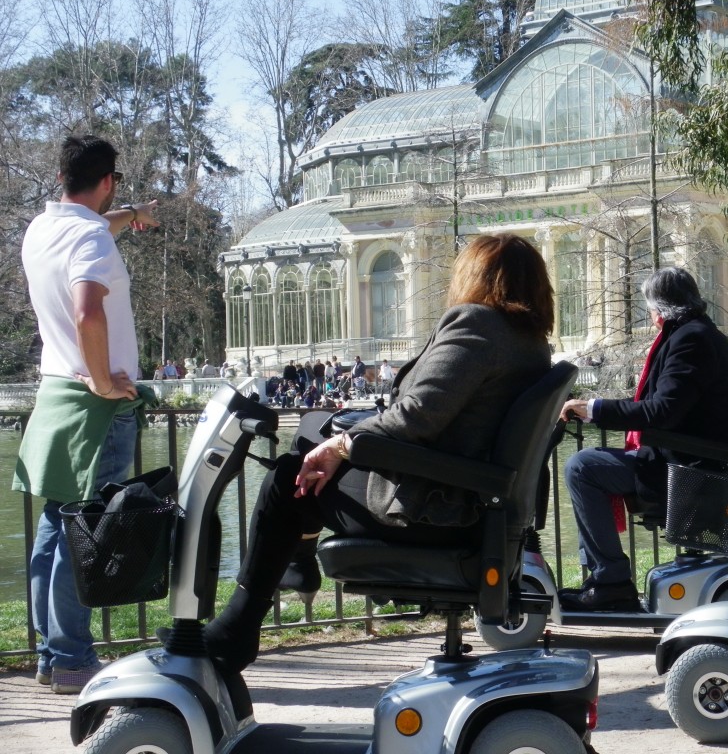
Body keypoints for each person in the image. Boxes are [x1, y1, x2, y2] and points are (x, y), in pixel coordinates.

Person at [184, 233, 555, 674]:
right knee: (310, 436)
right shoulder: (530, 344)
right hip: (479, 509)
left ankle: (236, 632)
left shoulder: (477, 325)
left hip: (437, 511)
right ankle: (296, 563)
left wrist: (344, 443)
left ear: (474, 277)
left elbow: (416, 415)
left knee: (288, 478)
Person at [12, 134, 159, 694]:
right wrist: (102, 380)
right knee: (90, 532)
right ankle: (73, 659)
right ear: (108, 181)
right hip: (95, 408)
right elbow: (87, 312)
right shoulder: (92, 235)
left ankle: (54, 656)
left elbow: (93, 224)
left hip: (55, 399)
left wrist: (130, 215)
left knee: (56, 527)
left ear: (59, 179)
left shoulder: (43, 228)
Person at [557, 267, 728, 611]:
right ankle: (606, 578)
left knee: (582, 467)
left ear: (659, 307)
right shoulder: (699, 334)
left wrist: (593, 409)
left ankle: (609, 581)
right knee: (588, 463)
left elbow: (661, 411)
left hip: (684, 471)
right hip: (687, 460)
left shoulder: (691, 340)